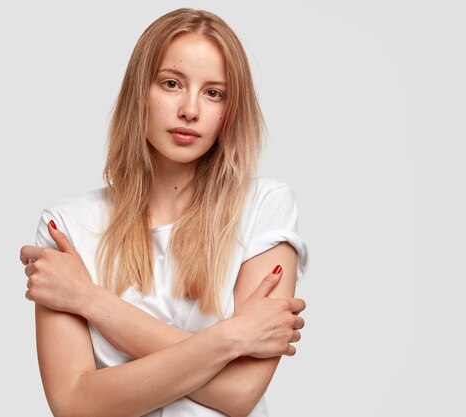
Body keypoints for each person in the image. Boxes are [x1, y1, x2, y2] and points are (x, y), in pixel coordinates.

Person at [19, 8, 309, 417]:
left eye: (214, 93)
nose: (190, 110)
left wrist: (89, 300)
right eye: (172, 84)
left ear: (231, 109)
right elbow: (73, 404)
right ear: (141, 91)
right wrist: (233, 338)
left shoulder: (264, 206)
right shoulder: (67, 225)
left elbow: (241, 392)